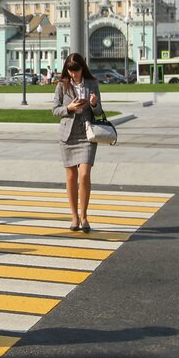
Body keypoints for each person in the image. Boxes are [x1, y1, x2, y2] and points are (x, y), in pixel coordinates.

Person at [51, 53, 105, 233]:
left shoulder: (92, 84)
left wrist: (94, 104)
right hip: (68, 135)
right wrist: (69, 108)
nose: (74, 74)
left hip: (87, 134)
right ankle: (74, 217)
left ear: (83, 68)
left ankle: (84, 216)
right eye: (70, 70)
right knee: (71, 177)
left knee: (84, 174)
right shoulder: (62, 85)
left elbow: (98, 112)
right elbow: (54, 110)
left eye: (77, 70)